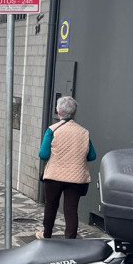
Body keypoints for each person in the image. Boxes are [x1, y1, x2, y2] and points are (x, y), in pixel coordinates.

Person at [38, 96, 96, 239]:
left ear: (58, 111)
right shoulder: (83, 132)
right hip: (76, 178)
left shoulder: (52, 130)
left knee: (51, 205)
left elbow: (43, 154)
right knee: (71, 209)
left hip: (54, 176)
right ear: (74, 112)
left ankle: (46, 234)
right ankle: (70, 240)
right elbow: (92, 156)